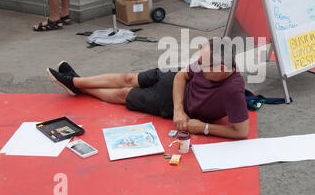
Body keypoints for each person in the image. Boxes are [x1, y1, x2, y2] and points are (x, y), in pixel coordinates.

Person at [46, 37, 250, 139]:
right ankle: (76, 82)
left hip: (167, 102)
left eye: (203, 65)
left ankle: (74, 83)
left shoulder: (232, 90)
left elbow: (241, 131)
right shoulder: (209, 60)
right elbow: (181, 75)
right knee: (129, 77)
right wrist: (179, 110)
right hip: (174, 86)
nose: (198, 66)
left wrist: (204, 128)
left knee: (124, 93)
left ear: (222, 68)